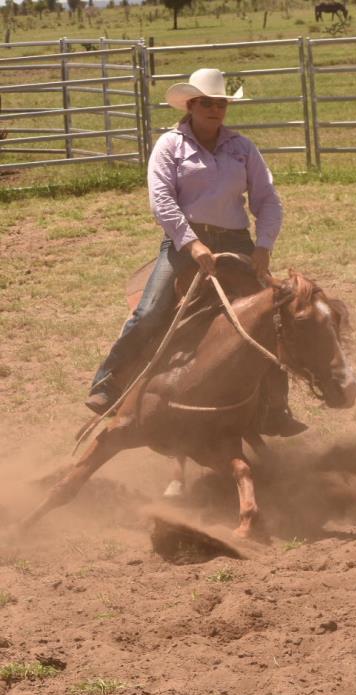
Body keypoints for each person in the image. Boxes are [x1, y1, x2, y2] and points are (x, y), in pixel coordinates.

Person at [86, 67, 306, 437]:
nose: (215, 109)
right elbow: (162, 201)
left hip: (237, 242)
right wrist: (192, 243)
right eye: (207, 103)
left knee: (271, 317)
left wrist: (264, 246)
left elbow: (268, 200)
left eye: (221, 104)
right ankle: (109, 382)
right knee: (150, 311)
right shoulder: (170, 145)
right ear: (191, 105)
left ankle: (275, 407)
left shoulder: (242, 148)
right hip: (184, 242)